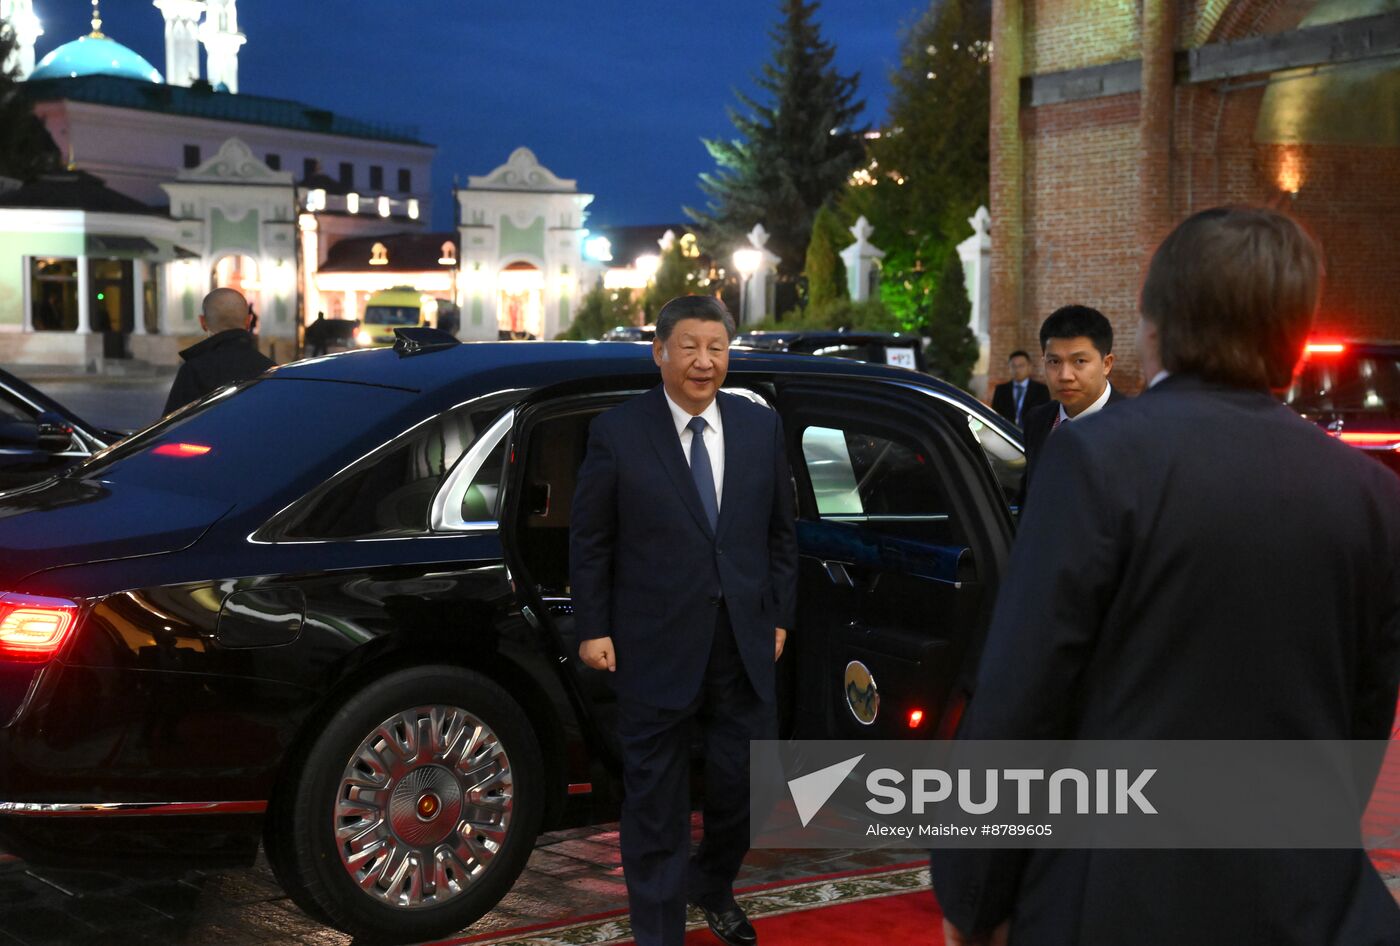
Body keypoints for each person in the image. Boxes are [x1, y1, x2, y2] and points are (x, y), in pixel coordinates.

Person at [930, 206, 1400, 945]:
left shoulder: (1095, 460)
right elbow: (1365, 717)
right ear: (1297, 339)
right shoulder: (1371, 494)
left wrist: (973, 894)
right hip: (1309, 900)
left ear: (1154, 324)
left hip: (1120, 892)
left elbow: (1023, 693)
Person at [569, 295, 798, 946]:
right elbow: (591, 541)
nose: (705, 362)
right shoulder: (619, 431)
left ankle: (713, 881)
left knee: (751, 787)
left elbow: (783, 535)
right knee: (655, 805)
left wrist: (778, 617)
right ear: (660, 352)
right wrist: (594, 627)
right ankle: (659, 931)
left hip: (744, 645)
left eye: (717, 348)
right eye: (691, 347)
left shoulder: (760, 429)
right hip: (650, 647)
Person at [1015, 305, 1127, 508]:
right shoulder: (1037, 420)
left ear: (1106, 364)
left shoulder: (1136, 427)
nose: (1065, 376)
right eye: (1054, 362)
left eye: (1080, 361)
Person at [163, 287, 275, 414]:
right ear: (249, 321)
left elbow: (172, 426)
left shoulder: (193, 371)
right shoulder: (271, 370)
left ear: (203, 322)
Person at [989, 350, 1048, 426]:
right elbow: (995, 416)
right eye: (1013, 366)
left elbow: (1045, 417)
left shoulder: (1042, 391)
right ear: (1009, 368)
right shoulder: (1000, 390)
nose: (1017, 370)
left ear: (1029, 367)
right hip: (1006, 433)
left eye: (1021, 366)